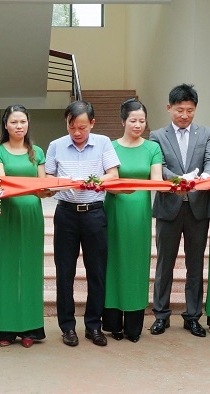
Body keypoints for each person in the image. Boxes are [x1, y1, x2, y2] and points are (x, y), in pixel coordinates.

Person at [45, 100, 120, 347]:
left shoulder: (104, 143)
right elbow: (48, 178)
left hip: (94, 214)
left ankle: (93, 325)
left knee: (96, 271)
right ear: (66, 123)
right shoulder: (55, 145)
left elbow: (113, 175)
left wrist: (93, 179)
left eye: (83, 128)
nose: (77, 133)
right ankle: (67, 327)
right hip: (65, 214)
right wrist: (59, 182)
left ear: (92, 124)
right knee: (64, 272)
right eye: (72, 127)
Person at [0, 105, 53, 348]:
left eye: (23, 122)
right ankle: (6, 329)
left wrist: (47, 191)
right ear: (5, 125)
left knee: (30, 269)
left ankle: (30, 328)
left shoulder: (36, 152)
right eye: (14, 122)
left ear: (28, 124)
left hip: (32, 214)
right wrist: (33, 187)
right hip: (8, 214)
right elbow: (0, 183)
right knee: (6, 269)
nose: (19, 126)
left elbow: (42, 185)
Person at [149, 84, 210, 338]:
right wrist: (179, 179)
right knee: (165, 264)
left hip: (198, 207)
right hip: (169, 207)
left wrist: (205, 175)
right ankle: (161, 315)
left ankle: (192, 316)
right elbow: (159, 166)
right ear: (169, 108)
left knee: (195, 265)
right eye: (179, 110)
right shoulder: (157, 136)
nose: (184, 115)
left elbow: (208, 159)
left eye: (190, 110)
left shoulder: (204, 133)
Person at [102, 99, 162, 343]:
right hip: (114, 208)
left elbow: (156, 180)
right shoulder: (109, 147)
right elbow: (107, 179)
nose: (138, 125)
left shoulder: (152, 148)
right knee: (112, 263)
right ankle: (113, 323)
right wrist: (118, 188)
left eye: (142, 120)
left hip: (139, 212)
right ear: (123, 121)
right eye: (133, 120)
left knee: (137, 264)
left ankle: (134, 326)